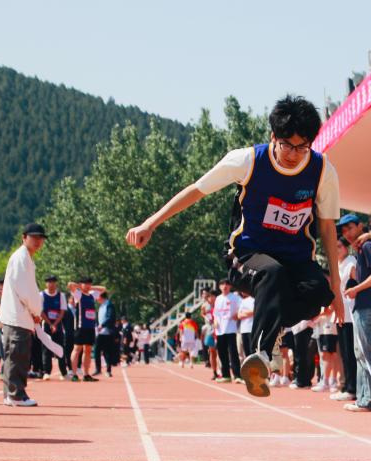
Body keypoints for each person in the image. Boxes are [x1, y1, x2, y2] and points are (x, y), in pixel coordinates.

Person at [126, 95, 344, 397]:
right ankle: (260, 357)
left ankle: (274, 330)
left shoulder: (322, 170)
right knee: (272, 273)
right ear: (274, 137)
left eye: (302, 147)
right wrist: (150, 223)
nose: (294, 154)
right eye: (287, 145)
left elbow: (328, 228)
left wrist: (337, 289)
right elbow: (196, 190)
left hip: (296, 259)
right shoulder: (247, 161)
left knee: (319, 292)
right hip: (247, 255)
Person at [340, 214, 371, 413]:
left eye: (350, 228)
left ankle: (370, 400)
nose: (347, 233)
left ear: (360, 226)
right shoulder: (362, 247)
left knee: (366, 354)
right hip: (364, 305)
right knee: (361, 353)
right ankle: (365, 397)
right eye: (343, 231)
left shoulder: (367, 246)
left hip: (369, 306)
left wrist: (356, 289)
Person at [0, 223, 46, 407]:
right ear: (24, 237)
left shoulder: (26, 258)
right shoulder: (21, 257)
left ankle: (11, 394)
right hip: (18, 316)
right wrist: (36, 311)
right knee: (17, 356)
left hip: (20, 315)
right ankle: (16, 395)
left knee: (15, 356)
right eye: (34, 237)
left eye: (41, 238)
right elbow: (25, 290)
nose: (38, 241)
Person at [331, 237, 357, 402]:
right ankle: (347, 386)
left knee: (350, 353)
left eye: (339, 246)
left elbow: (358, 284)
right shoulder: (337, 264)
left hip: (350, 314)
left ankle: (352, 388)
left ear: (346, 248)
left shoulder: (351, 263)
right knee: (344, 353)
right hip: (340, 313)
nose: (336, 249)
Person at [68, 277, 104, 382]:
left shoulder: (92, 295)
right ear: (81, 284)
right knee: (77, 349)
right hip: (80, 327)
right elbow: (70, 284)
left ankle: (86, 374)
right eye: (86, 283)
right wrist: (80, 286)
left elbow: (103, 289)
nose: (88, 285)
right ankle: (74, 374)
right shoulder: (78, 294)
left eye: (89, 283)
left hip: (90, 327)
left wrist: (90, 287)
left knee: (88, 350)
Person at [40, 275, 70, 380]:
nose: (51, 284)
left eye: (53, 282)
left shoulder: (61, 295)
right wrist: (50, 324)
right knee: (46, 348)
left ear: (56, 283)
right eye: (49, 282)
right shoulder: (41, 295)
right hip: (46, 324)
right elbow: (41, 311)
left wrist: (55, 324)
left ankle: (64, 373)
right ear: (46, 284)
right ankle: (47, 372)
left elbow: (62, 312)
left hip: (58, 325)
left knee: (60, 348)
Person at [212, 280, 241, 383]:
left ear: (230, 286)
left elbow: (242, 307)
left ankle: (237, 375)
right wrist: (215, 321)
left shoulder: (235, 297)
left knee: (233, 353)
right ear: (219, 287)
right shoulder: (218, 299)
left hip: (231, 329)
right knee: (222, 353)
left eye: (227, 284)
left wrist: (237, 314)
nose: (225, 286)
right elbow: (215, 313)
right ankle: (226, 375)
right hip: (220, 330)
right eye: (222, 284)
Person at [93, 290, 118, 377]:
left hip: (107, 332)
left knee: (107, 352)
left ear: (101, 296)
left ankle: (108, 370)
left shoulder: (109, 305)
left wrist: (102, 325)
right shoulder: (101, 306)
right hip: (99, 332)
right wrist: (97, 325)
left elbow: (110, 317)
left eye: (97, 296)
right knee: (96, 351)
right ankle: (98, 369)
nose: (96, 298)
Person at [237, 293, 255, 359]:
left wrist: (244, 313)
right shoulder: (243, 301)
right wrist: (250, 313)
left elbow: (255, 311)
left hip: (253, 329)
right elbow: (239, 315)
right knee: (247, 352)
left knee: (253, 351)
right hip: (244, 330)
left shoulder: (254, 300)